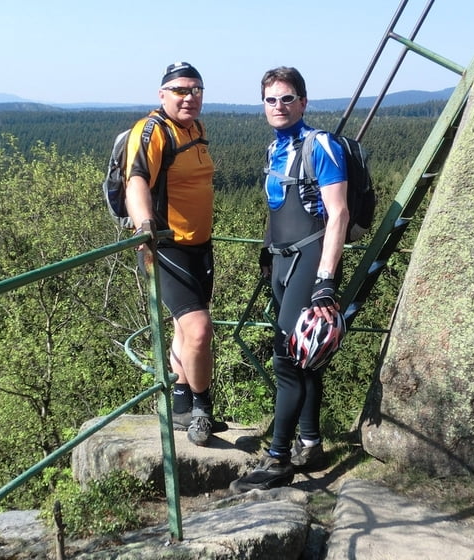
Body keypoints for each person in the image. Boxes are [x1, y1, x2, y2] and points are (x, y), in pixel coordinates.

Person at [230, 67, 349, 492]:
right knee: (305, 360)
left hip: (312, 260)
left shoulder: (322, 146)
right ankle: (310, 440)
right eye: (270, 100)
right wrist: (268, 252)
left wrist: (324, 280)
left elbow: (338, 213)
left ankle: (278, 458)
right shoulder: (274, 149)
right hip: (282, 262)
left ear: (303, 102)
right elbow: (278, 207)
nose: (278, 106)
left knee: (287, 359)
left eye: (286, 98)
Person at [124, 62, 227, 446]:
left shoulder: (195, 129)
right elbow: (136, 180)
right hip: (165, 246)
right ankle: (202, 407)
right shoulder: (151, 131)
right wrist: (144, 227)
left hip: (200, 246)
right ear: (162, 94)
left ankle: (181, 403)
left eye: (196, 89)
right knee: (200, 330)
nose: (189, 97)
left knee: (185, 328)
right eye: (181, 90)